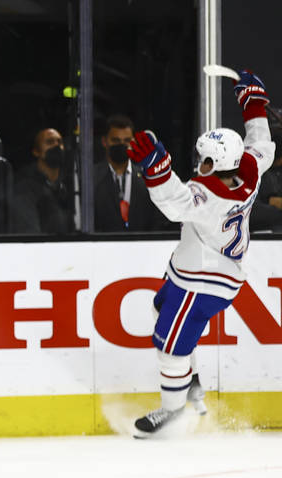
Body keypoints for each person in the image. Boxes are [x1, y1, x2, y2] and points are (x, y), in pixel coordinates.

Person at [125, 70, 275, 437]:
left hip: (203, 280)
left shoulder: (210, 197)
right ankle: (188, 384)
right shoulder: (250, 170)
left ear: (218, 165)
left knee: (170, 345)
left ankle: (172, 410)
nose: (199, 166)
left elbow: (177, 205)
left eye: (205, 161)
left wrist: (157, 173)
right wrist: (253, 104)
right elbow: (262, 145)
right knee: (164, 313)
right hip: (200, 271)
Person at [94, 114, 168, 233]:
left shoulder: (148, 178)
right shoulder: (91, 179)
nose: (122, 145)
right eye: (116, 140)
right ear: (104, 141)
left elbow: (157, 220)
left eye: (127, 140)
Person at [10, 127, 74, 234]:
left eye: (60, 142)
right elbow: (29, 233)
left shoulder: (71, 183)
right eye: (49, 142)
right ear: (36, 152)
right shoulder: (24, 187)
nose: (56, 145)